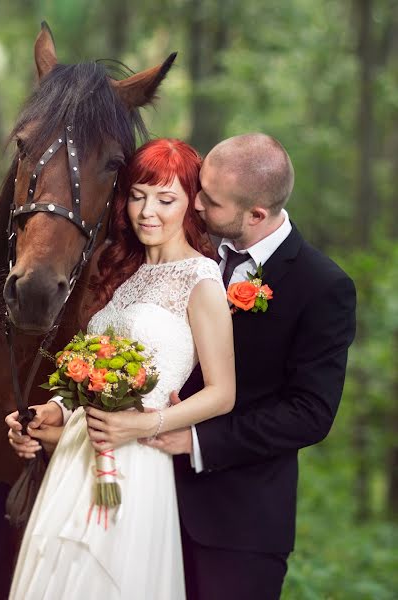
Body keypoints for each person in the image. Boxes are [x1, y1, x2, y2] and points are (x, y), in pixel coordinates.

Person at [5, 138, 236, 599]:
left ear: (191, 205)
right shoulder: (124, 273)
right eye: (137, 195)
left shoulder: (202, 280)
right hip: (75, 459)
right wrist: (53, 410)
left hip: (137, 465)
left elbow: (222, 392)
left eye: (166, 199)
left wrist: (144, 425)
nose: (147, 211)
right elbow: (91, 377)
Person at [140, 133, 356, 600]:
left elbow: (310, 412)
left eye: (211, 201)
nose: (194, 205)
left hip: (239, 526)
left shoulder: (321, 286)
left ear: (256, 214)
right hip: (147, 502)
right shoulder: (183, 253)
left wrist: (196, 439)